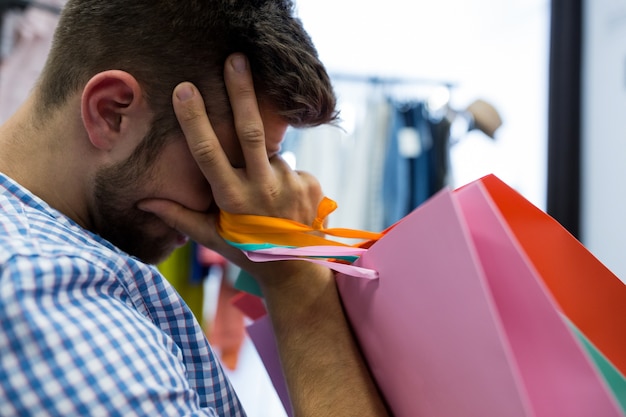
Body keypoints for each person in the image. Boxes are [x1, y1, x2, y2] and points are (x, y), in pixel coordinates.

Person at [0, 1, 389, 416]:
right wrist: (294, 278)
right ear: (111, 112)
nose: (235, 204)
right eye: (223, 167)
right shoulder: (44, 294)